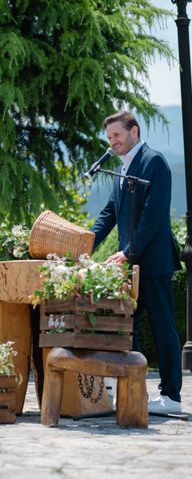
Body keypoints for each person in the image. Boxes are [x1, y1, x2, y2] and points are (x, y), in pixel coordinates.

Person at [91, 110, 182, 414]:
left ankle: (171, 397)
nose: (112, 142)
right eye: (109, 137)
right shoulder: (121, 168)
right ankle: (135, 390)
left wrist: (128, 252)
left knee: (163, 326)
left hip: (154, 262)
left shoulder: (153, 162)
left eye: (117, 135)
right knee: (127, 327)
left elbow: (153, 218)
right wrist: (84, 243)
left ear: (134, 132)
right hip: (130, 264)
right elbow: (109, 214)